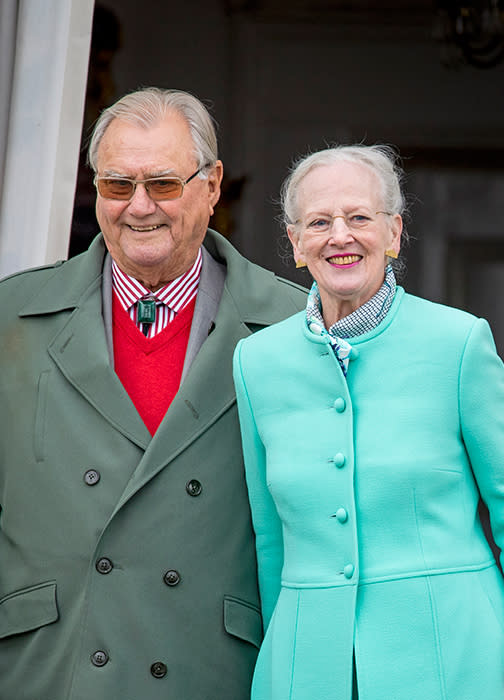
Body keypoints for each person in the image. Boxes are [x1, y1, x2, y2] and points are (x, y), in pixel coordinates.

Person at [0, 87, 306, 700]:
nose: (139, 208)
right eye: (117, 185)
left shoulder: (294, 327)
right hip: (50, 670)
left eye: (163, 184)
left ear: (212, 185)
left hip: (211, 670)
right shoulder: (13, 315)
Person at [233, 144, 504, 700]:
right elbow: (270, 538)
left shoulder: (458, 343)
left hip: (449, 657)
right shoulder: (256, 362)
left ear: (394, 233)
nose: (341, 236)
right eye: (319, 222)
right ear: (294, 243)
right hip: (306, 664)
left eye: (359, 218)